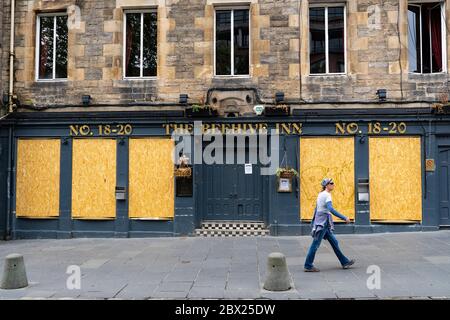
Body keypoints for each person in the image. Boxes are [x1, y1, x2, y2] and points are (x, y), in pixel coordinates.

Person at [304, 178, 355, 272]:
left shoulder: (320, 194)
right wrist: (344, 218)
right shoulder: (327, 195)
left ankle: (344, 262)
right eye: (331, 183)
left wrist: (314, 221)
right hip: (323, 223)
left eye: (333, 183)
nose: (333, 184)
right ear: (327, 185)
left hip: (323, 222)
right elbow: (330, 209)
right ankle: (308, 265)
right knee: (315, 244)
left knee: (334, 242)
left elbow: (317, 208)